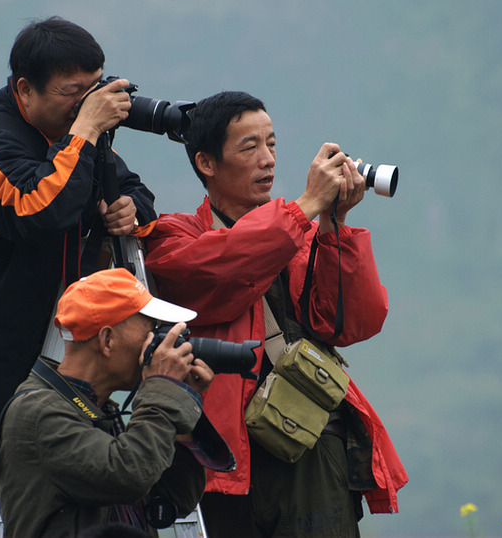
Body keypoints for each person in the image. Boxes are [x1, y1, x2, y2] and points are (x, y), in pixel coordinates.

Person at [0, 17, 157, 537]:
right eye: (74, 94)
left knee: (64, 512)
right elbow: (37, 208)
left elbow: (137, 192)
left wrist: (128, 210)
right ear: (24, 89)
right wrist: (87, 130)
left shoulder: (71, 139)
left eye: (91, 91)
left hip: (58, 361)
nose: (84, 105)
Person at [144, 91, 408, 537]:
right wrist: (306, 207)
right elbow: (219, 275)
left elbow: (350, 324)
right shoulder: (174, 237)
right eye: (250, 147)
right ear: (206, 163)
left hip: (311, 445)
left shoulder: (300, 233)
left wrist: (334, 224)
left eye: (272, 144)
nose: (267, 160)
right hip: (225, 455)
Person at [0, 268, 235, 538]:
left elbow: (175, 499)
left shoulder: (99, 409)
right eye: (151, 331)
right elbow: (129, 475)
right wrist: (162, 390)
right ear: (106, 340)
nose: (156, 345)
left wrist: (180, 399)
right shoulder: (39, 412)